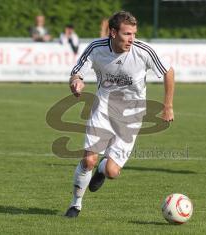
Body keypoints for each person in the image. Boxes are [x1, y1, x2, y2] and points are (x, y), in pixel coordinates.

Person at [65, 11, 175, 218]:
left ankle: (103, 169)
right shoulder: (96, 48)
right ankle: (75, 204)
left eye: (133, 33)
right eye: (126, 34)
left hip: (132, 114)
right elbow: (77, 72)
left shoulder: (143, 51)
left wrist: (167, 105)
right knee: (88, 159)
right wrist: (76, 82)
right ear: (113, 33)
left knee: (112, 172)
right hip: (104, 107)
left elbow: (168, 71)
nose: (131, 39)